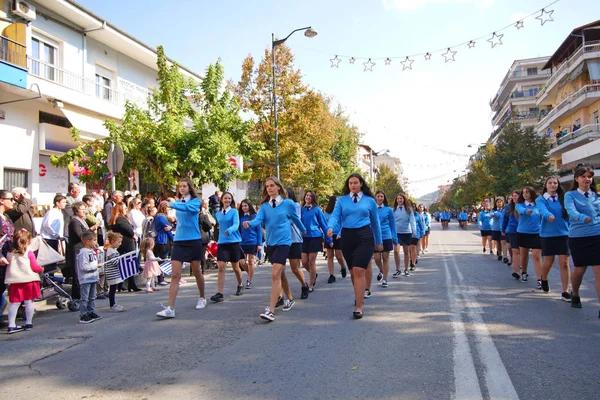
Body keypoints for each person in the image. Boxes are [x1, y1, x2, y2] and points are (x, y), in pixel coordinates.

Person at [243, 177, 306, 322]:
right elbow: (259, 220)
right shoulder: (264, 206)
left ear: (278, 187)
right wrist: (250, 224)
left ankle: (270, 311)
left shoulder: (288, 204)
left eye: (272, 185)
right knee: (280, 273)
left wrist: (303, 230)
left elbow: (295, 219)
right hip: (271, 242)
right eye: (267, 186)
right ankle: (289, 299)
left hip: (284, 242)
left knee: (275, 273)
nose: (269, 188)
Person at [327, 173, 382, 319]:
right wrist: (331, 227)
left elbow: (375, 222)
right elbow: (335, 216)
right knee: (353, 272)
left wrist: (379, 242)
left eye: (355, 182)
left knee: (358, 270)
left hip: (365, 236)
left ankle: (359, 307)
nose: (353, 185)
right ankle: (358, 294)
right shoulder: (342, 201)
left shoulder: (370, 201)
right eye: (350, 183)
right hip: (347, 237)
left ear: (361, 184)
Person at [156, 178, 206, 318]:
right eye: (180, 186)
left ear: (190, 188)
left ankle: (202, 297)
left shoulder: (195, 201)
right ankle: (170, 308)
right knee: (175, 275)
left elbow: (189, 208)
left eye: (184, 186)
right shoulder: (177, 203)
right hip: (179, 240)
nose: (182, 188)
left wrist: (173, 205)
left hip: (194, 240)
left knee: (196, 271)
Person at [563, 166, 600, 314]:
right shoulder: (570, 195)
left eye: (589, 176)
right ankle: (575, 293)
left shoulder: (596, 196)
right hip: (579, 237)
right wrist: (582, 217)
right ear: (577, 179)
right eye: (583, 176)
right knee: (580, 269)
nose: (587, 179)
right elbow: (571, 211)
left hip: (597, 235)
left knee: (598, 270)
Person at [536, 176, 571, 300]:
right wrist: (548, 215)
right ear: (546, 185)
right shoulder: (541, 200)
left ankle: (565, 291)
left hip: (564, 234)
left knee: (564, 263)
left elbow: (569, 214)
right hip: (548, 235)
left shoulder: (563, 198)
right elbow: (542, 211)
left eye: (555, 183)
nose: (552, 185)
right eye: (550, 183)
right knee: (549, 261)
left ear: (558, 185)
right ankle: (543, 277)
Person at [4, 230, 42, 333]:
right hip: (29, 280)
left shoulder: (10, 253)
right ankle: (28, 322)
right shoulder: (29, 252)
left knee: (14, 303)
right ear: (28, 241)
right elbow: (34, 267)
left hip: (15, 281)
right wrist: (41, 269)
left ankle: (11, 324)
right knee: (29, 301)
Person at [212, 192, 244, 302]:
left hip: (233, 241)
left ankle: (240, 284)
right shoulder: (218, 214)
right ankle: (220, 293)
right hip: (222, 242)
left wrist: (229, 230)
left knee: (235, 267)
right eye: (225, 198)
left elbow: (236, 224)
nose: (227, 200)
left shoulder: (234, 212)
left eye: (229, 198)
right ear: (221, 200)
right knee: (221, 266)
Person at [301, 190, 331, 289]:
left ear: (313, 198)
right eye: (307, 195)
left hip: (315, 237)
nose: (308, 197)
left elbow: (323, 225)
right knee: (304, 261)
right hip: (304, 238)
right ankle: (313, 274)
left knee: (311, 261)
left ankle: (310, 284)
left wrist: (329, 239)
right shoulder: (301, 209)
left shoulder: (317, 209)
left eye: (310, 196)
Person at [108, 203, 141, 292]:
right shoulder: (120, 219)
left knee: (124, 263)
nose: (126, 209)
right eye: (125, 208)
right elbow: (128, 229)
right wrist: (133, 235)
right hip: (126, 242)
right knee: (129, 263)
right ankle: (130, 284)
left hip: (122, 242)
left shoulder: (115, 219)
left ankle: (122, 284)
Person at [285, 188, 310, 300]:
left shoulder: (295, 205)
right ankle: (280, 296)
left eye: (285, 193)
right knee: (278, 270)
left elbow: (295, 219)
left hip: (294, 239)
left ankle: (304, 285)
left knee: (294, 268)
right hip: (281, 240)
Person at [516, 187, 543, 287]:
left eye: (527, 192)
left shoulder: (538, 206)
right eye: (523, 193)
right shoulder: (519, 205)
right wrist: (526, 211)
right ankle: (524, 272)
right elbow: (521, 210)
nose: (525, 194)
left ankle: (540, 279)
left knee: (537, 256)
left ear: (532, 193)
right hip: (523, 232)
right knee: (524, 255)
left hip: (537, 233)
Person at [66, 201, 93, 299]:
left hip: (83, 248)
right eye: (82, 209)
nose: (84, 211)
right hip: (76, 249)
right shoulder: (74, 221)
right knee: (78, 273)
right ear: (76, 211)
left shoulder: (82, 220)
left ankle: (84, 294)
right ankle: (77, 296)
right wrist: (90, 232)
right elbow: (80, 235)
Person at [77, 231, 102, 324]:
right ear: (87, 241)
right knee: (85, 298)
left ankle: (91, 312)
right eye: (94, 240)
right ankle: (83, 315)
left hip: (93, 278)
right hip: (86, 278)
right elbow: (84, 267)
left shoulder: (92, 252)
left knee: (92, 297)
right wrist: (96, 267)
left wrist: (97, 277)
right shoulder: (83, 253)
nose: (96, 242)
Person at [373, 191, 397, 288]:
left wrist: (394, 238)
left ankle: (385, 279)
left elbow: (392, 224)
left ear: (384, 198)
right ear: (375, 197)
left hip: (386, 235)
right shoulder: (371, 209)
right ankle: (381, 270)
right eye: (378, 196)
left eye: (382, 196)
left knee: (385, 257)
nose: (380, 198)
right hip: (375, 236)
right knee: (377, 258)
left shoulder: (388, 209)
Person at [0, 189, 16, 328]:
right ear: (1, 200)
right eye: (10, 199)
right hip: (1, 257)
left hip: (7, 256)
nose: (13, 202)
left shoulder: (6, 217)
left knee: (2, 286)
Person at [40, 195, 67, 272]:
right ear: (57, 203)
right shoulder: (51, 212)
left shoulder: (60, 212)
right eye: (63, 202)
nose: (65, 204)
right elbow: (46, 225)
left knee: (53, 260)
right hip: (49, 238)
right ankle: (47, 278)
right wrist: (55, 234)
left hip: (55, 238)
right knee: (49, 260)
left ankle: (51, 276)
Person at [323, 195, 347, 281]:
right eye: (335, 201)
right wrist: (326, 235)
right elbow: (324, 225)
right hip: (329, 235)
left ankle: (343, 266)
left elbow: (343, 224)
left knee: (338, 255)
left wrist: (340, 233)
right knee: (330, 256)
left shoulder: (340, 213)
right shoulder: (326, 213)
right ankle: (331, 275)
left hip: (338, 235)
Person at [239, 199, 261, 289]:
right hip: (242, 242)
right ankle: (250, 274)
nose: (244, 207)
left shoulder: (255, 216)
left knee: (251, 261)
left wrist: (259, 244)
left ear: (249, 206)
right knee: (242, 262)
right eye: (242, 206)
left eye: (246, 206)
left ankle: (249, 281)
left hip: (252, 241)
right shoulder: (240, 217)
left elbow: (259, 231)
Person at [392, 193, 416, 277]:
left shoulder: (409, 209)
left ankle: (406, 269)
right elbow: (391, 222)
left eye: (401, 198)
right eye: (398, 198)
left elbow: (412, 221)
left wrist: (414, 231)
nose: (399, 200)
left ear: (404, 199)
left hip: (406, 233)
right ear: (396, 200)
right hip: (396, 233)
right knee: (396, 251)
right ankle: (398, 269)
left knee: (406, 252)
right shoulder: (393, 210)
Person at [102, 231, 125, 312]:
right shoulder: (111, 250)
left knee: (113, 289)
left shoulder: (113, 250)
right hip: (112, 273)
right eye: (118, 242)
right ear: (112, 241)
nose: (120, 244)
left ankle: (114, 303)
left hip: (114, 273)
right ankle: (112, 305)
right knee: (112, 290)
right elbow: (114, 262)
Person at [154, 201, 174, 285]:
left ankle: (161, 278)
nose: (169, 209)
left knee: (163, 259)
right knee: (161, 260)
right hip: (162, 240)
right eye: (168, 207)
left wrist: (171, 227)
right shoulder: (161, 217)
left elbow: (169, 227)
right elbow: (167, 228)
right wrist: (173, 239)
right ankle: (160, 278)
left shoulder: (161, 216)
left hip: (164, 239)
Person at [503, 191, 522, 280]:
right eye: (513, 196)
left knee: (522, 252)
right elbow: (505, 219)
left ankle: (524, 269)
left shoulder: (523, 205)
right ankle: (517, 271)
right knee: (515, 250)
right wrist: (503, 229)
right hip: (512, 230)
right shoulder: (508, 207)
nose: (514, 198)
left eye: (516, 196)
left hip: (523, 231)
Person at [199, 199, 215, 274]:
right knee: (202, 253)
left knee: (194, 254)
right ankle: (203, 269)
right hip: (203, 236)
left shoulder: (193, 217)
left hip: (194, 237)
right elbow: (209, 226)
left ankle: (192, 270)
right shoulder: (203, 216)